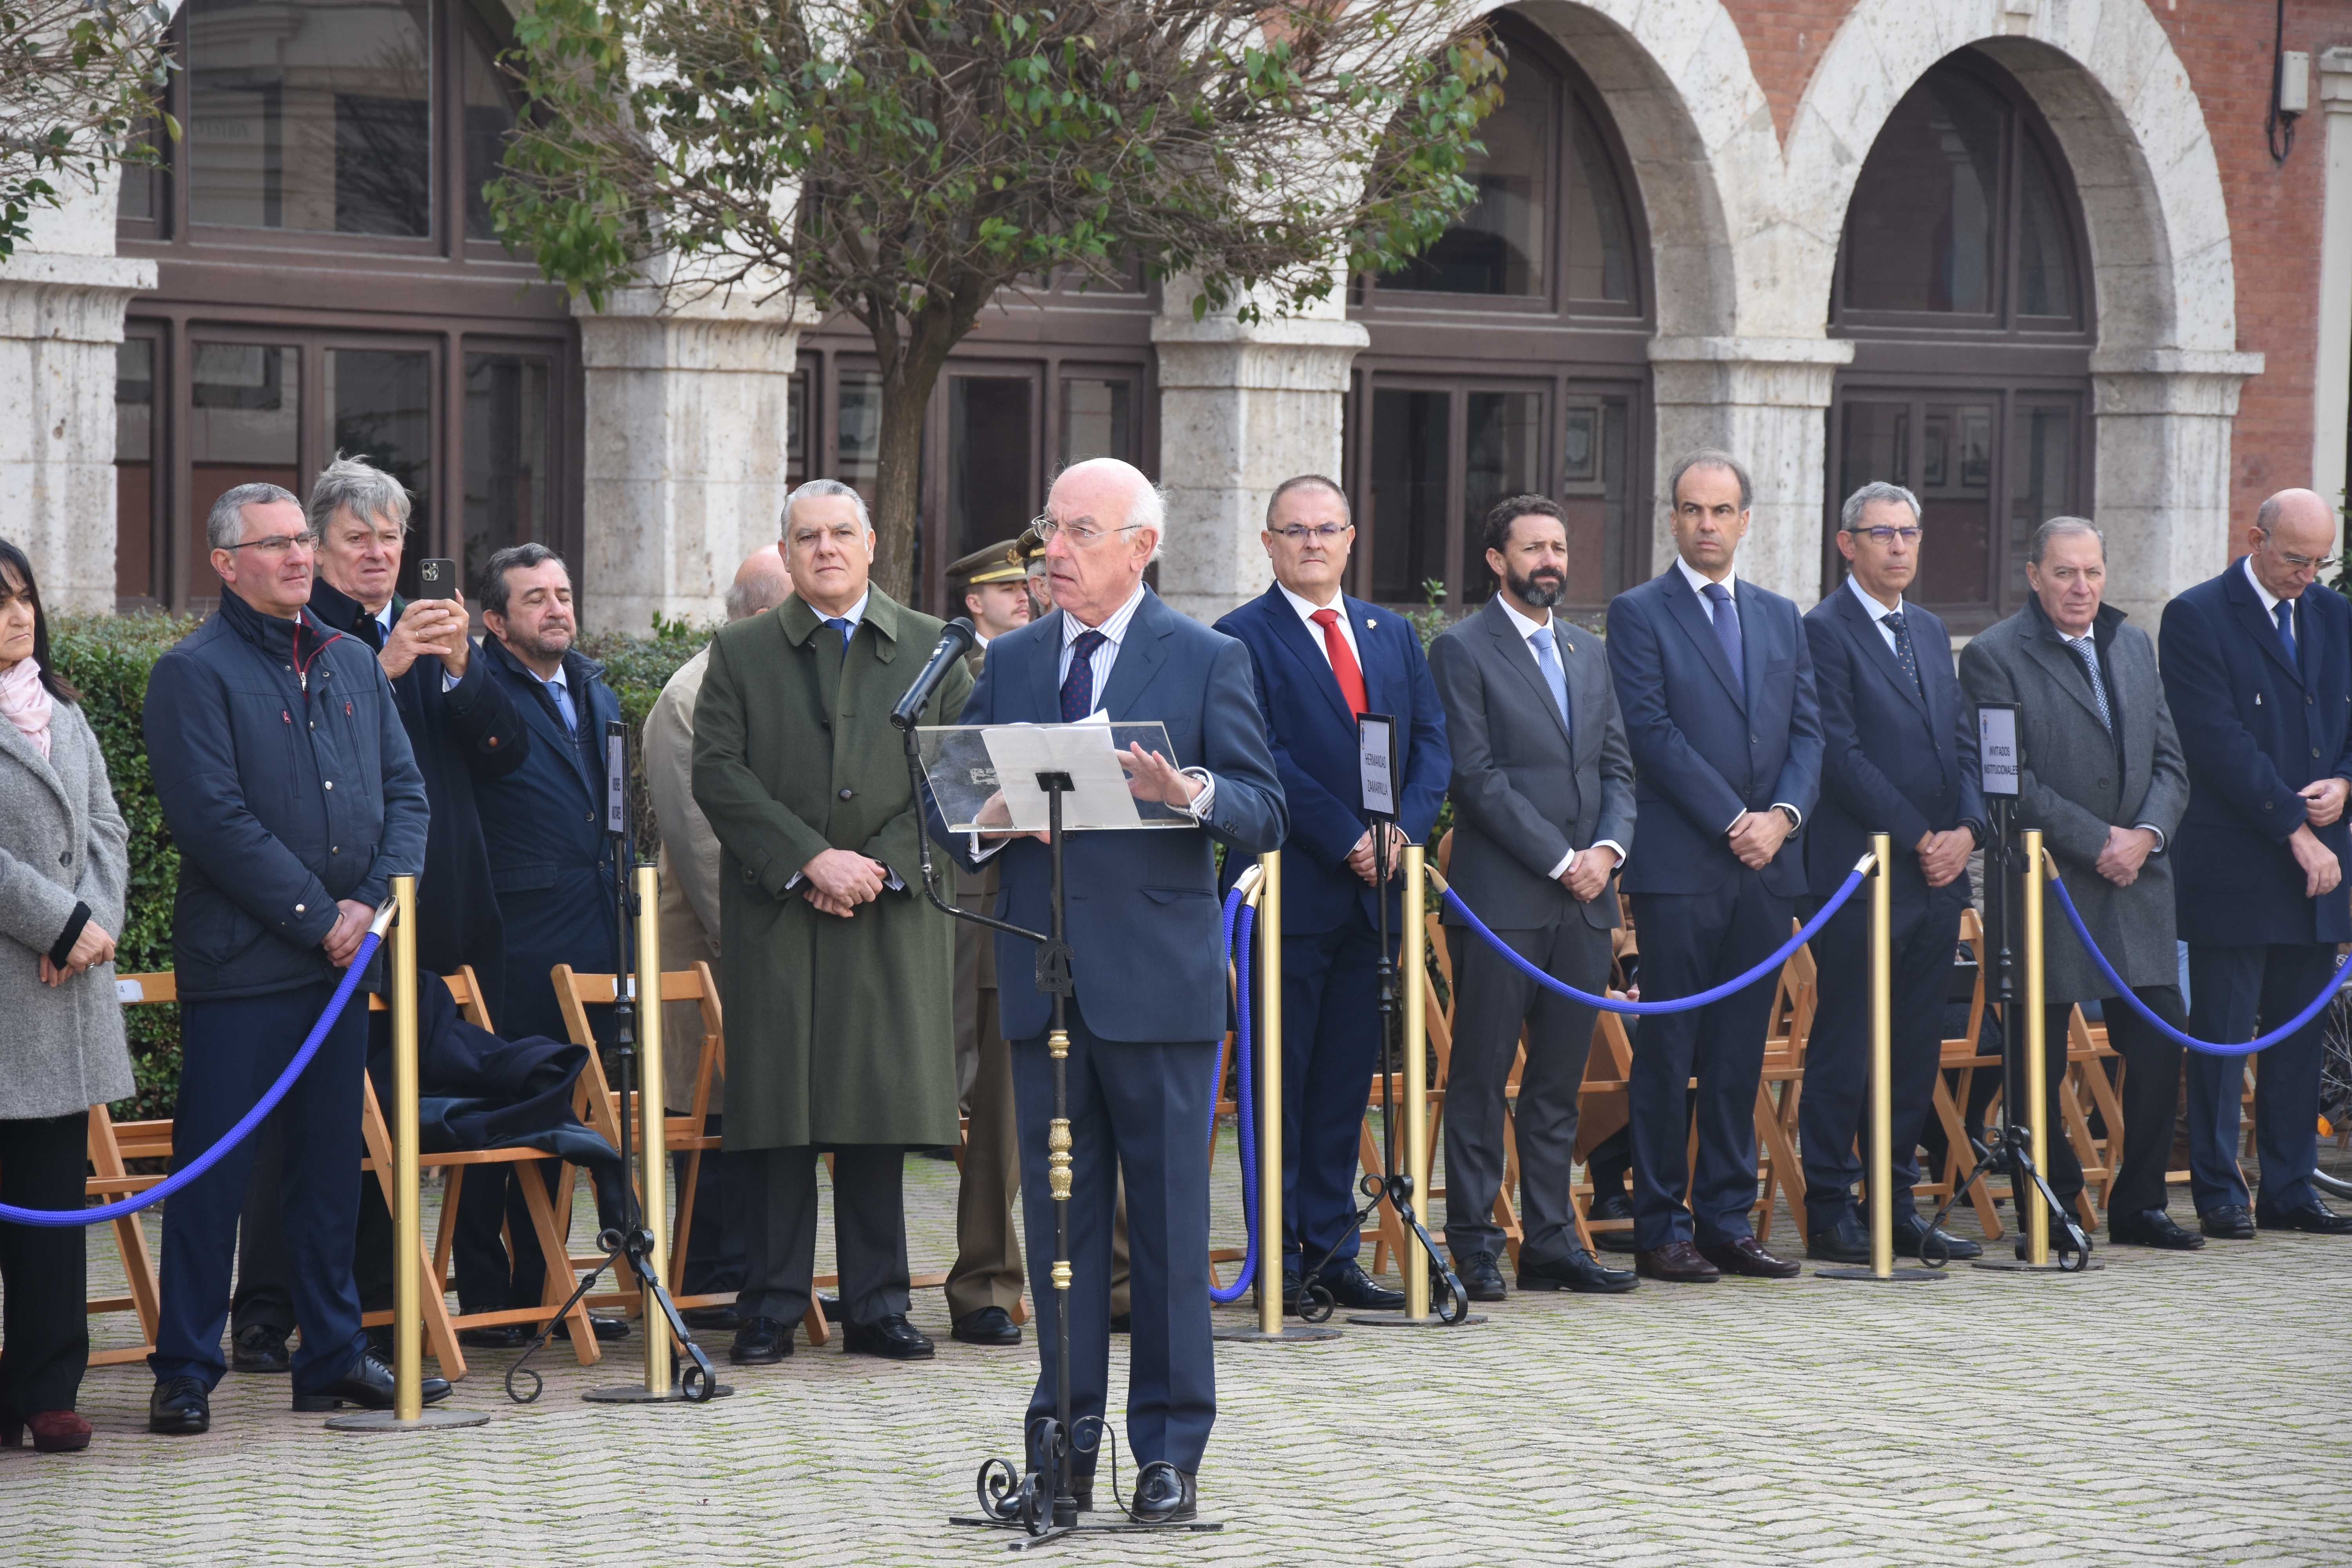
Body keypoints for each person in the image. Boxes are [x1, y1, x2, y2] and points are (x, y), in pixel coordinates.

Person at [933, 457, 1284, 1522]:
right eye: (1051, 527)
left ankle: (1169, 1454)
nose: (1055, 550)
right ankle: (1065, 1446)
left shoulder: (1208, 656)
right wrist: (991, 819)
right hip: (1044, 981)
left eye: (1081, 530)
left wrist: (1193, 791)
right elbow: (955, 804)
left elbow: (1266, 809)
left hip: (1159, 988)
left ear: (1141, 547)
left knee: (1169, 1229)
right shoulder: (1014, 658)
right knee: (1058, 1231)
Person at [142, 483, 440, 1433]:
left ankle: (333, 1355)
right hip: (244, 968)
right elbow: (213, 820)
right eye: (274, 544)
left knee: (326, 1170)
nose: (299, 555)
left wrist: (371, 908)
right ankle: (186, 1367)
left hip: (343, 967)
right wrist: (321, 916)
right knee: (214, 1175)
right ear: (226, 564)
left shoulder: (351, 659)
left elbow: (407, 795)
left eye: (302, 539)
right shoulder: (191, 672)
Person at [229, 454, 533, 1370]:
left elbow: (504, 752)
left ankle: (379, 1305)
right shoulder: (305, 632)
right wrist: (386, 671)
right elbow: (314, 763)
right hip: (343, 915)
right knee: (311, 1118)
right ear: (316, 548)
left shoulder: (431, 627)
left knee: (397, 1118)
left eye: (391, 538)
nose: (377, 553)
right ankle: (267, 1309)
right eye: (356, 537)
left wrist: (464, 665)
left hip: (447, 905)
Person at [693, 479, 973, 1367]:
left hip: (889, 918)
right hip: (781, 912)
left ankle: (878, 1306)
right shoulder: (740, 650)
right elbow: (718, 772)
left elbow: (955, 774)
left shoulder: (934, 646)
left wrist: (874, 866)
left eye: (841, 533)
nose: (826, 549)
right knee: (779, 1115)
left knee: (875, 1115)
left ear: (871, 543)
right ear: (786, 552)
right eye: (807, 537)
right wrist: (811, 858)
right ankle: (771, 1305)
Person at [1214, 476, 1450, 1312]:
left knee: (1346, 1083)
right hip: (1291, 890)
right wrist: (1347, 836)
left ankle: (1332, 1249)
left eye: (1327, 529)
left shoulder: (1391, 633)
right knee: (1279, 1083)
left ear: (1351, 539)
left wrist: (1401, 832)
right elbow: (1262, 754)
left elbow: (1432, 742)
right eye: (1295, 531)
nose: (1312, 543)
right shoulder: (1238, 638)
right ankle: (1277, 1258)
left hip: (1376, 899)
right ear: (1268, 543)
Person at [1606, 450, 1820, 1283]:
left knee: (1738, 1051)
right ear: (1673, 519)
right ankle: (1661, 1227)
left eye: (1722, 510)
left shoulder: (1780, 615)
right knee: (1670, 1051)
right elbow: (1651, 732)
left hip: (1767, 869)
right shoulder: (1638, 612)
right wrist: (1736, 821)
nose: (1707, 524)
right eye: (1693, 510)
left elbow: (1808, 733)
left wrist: (1783, 819)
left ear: (1745, 521)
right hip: (1682, 867)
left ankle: (1727, 1221)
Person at [1960, 517, 2191, 1251]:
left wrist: (2145, 836)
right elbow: (2010, 781)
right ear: (2034, 576)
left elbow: (2171, 763)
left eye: (2091, 572)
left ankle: (2141, 1205)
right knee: (2039, 1057)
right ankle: (2051, 1206)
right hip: (2048, 884)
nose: (2080, 587)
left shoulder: (2133, 644)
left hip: (2137, 881)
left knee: (2159, 1040)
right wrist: (2099, 842)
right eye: (2064, 573)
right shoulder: (1995, 655)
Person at [1427, 495, 1635, 1302]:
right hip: (1504, 902)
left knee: (1556, 1084)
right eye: (1533, 547)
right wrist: (1559, 858)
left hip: (1586, 904)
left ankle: (1549, 1242)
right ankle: (1476, 1244)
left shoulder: (1589, 650)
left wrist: (1607, 853)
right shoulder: (1461, 650)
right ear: (1496, 559)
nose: (1550, 560)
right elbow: (1474, 777)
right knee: (1481, 1080)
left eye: (1559, 546)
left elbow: (1618, 767)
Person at [1797, 483, 1984, 1264]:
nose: (1900, 546)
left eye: (1909, 532)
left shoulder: (1931, 629)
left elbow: (1961, 742)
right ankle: (1830, 1206)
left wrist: (1967, 832)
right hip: (1865, 875)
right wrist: (1920, 837)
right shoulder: (1822, 630)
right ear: (1848, 544)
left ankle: (1896, 1202)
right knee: (1848, 1043)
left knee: (1913, 1049)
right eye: (1883, 533)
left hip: (1939, 879)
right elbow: (1839, 755)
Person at [2160, 488, 2352, 1240]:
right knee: (2225, 1034)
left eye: (2320, 561)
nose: (2308, 574)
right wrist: (2293, 829)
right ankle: (2219, 1189)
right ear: (2255, 539)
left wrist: (2345, 783)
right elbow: (2215, 741)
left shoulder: (2336, 614)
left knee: (2301, 1037)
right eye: (2296, 558)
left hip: (2320, 863)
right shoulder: (2198, 615)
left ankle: (2291, 1187)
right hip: (2238, 860)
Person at [471, 543, 630, 1340]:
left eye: (563, 593)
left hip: (601, 930)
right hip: (519, 939)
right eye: (534, 598)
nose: (556, 608)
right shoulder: (475, 687)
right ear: (495, 621)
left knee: (578, 1118)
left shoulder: (595, 687)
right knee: (508, 1118)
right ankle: (489, 1302)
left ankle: (550, 1292)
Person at [0, 539, 133, 1454]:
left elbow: (109, 829)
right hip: (14, 977)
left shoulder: (66, 711)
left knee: (52, 1203)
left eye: (24, 598)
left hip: (61, 997)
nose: (17, 616)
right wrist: (56, 921)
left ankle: (49, 1389)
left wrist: (91, 926)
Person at [644, 542, 793, 1331]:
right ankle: (710, 1280)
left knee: (760, 1114)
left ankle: (763, 1273)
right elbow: (702, 844)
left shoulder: (769, 681)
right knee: (712, 1111)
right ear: (762, 613)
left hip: (770, 941)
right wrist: (759, 950)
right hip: (712, 947)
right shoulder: (690, 695)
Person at [941, 538, 1036, 1348]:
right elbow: (955, 788)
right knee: (1001, 1120)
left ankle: (1118, 1280)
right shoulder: (980, 669)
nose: (1035, 591)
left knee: (1115, 1108)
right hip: (1005, 908)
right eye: (1021, 581)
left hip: (1110, 912)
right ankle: (986, 1283)